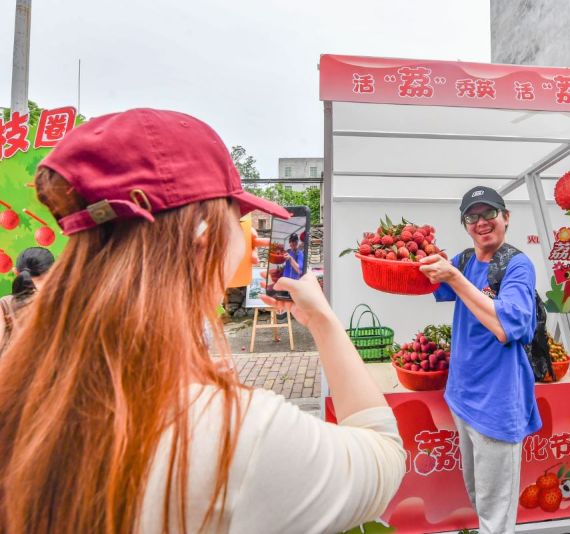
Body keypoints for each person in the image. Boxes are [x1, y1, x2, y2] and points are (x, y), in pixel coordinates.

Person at [0, 109, 404, 534]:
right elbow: (383, 454)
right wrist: (322, 318)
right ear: (204, 234)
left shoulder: (21, 387)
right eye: (239, 216)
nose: (247, 233)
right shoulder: (240, 435)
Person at [419, 186, 541, 533]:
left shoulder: (517, 265)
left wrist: (455, 279)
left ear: (506, 217)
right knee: (478, 495)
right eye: (473, 216)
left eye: (490, 213)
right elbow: (424, 283)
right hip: (463, 396)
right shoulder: (463, 261)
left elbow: (506, 327)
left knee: (496, 513)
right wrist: (409, 250)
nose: (482, 222)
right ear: (465, 223)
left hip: (498, 402)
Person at [0, 247, 55, 354]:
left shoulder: (4, 304)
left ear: (16, 272)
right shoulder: (58, 304)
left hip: (10, 367)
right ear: (53, 272)